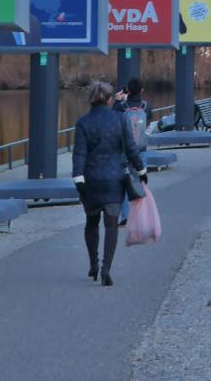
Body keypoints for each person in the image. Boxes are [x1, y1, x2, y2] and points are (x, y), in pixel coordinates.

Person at [72, 81, 145, 287]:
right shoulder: (119, 119)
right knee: (111, 224)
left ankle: (93, 264)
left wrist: (78, 177)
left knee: (91, 221)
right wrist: (141, 170)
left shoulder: (83, 122)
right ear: (110, 99)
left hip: (91, 180)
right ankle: (106, 269)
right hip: (114, 179)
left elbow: (79, 153)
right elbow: (131, 147)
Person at [113, 78, 154, 226]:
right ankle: (140, 217)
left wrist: (117, 100)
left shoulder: (120, 106)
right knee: (140, 183)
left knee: (124, 183)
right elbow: (148, 125)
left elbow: (113, 121)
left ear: (127, 90)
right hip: (141, 150)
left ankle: (125, 217)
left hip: (123, 151)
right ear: (142, 90)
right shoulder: (147, 106)